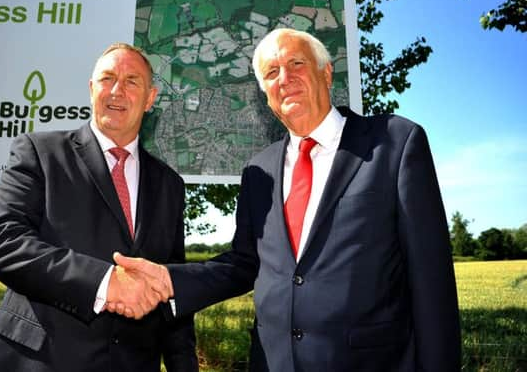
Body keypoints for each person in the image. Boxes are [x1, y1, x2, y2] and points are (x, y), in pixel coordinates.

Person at [113, 28, 462, 371]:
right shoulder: (258, 171)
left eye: (296, 64)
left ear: (326, 73)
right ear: (264, 92)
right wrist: (169, 281)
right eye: (271, 72)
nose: (285, 78)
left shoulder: (395, 142)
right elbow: (244, 263)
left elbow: (432, 280)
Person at [0, 43, 198, 372]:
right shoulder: (39, 151)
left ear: (150, 98)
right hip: (34, 361)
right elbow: (2, 242)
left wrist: (183, 365)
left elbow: (170, 289)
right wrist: (105, 282)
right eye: (107, 78)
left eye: (132, 81)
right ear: (92, 89)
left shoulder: (170, 185)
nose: (117, 90)